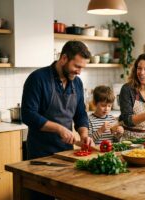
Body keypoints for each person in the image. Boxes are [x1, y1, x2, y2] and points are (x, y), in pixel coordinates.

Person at [21, 41, 93, 199]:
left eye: (82, 68)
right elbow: (27, 114)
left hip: (66, 154)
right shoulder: (38, 78)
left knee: (65, 195)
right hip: (40, 154)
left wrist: (84, 134)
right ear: (64, 58)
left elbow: (80, 113)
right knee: (41, 196)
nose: (79, 72)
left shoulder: (77, 83)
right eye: (77, 66)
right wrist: (59, 128)